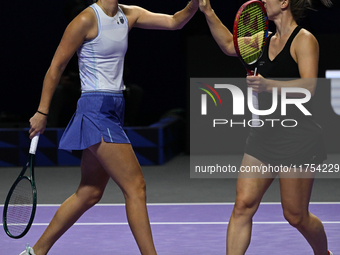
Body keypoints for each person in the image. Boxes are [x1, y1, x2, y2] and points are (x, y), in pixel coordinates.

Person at [24, 0, 199, 254]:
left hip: (115, 108)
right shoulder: (85, 20)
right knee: (136, 186)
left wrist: (194, 5)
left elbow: (175, 21)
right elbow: (56, 67)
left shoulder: (130, 14)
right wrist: (42, 111)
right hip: (96, 108)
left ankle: (36, 251)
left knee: (89, 192)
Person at [198, 0, 333, 254]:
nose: (262, 1)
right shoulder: (263, 39)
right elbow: (230, 45)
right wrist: (208, 11)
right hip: (263, 134)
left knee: (295, 216)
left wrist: (269, 85)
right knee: (243, 205)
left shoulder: (304, 40)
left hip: (298, 138)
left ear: (283, 3)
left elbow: (310, 88)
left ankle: (322, 252)